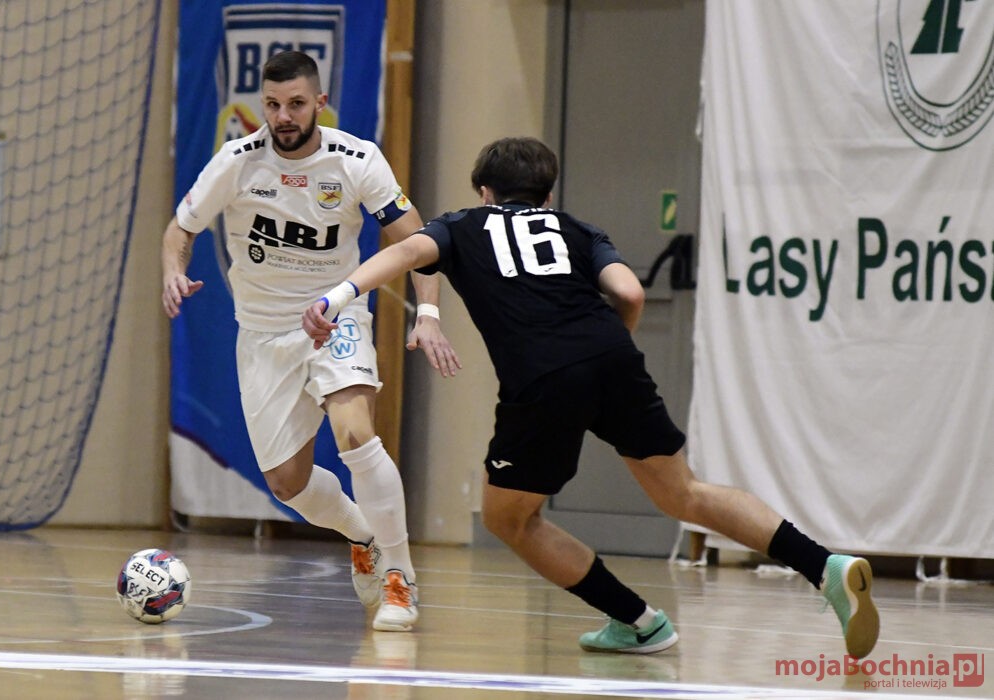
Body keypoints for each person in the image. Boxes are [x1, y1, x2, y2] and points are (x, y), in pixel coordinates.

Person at [302, 137, 880, 657]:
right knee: (684, 492)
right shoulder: (577, 230)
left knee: (508, 518)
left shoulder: (462, 225)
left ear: (485, 192)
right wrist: (607, 354)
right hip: (612, 357)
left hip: (542, 378)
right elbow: (629, 292)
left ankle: (638, 621)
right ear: (548, 195)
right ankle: (823, 564)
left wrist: (336, 297)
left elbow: (405, 253)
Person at [161, 50, 461, 632]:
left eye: (296, 103)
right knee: (287, 484)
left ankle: (399, 577)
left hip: (334, 316)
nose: (283, 116)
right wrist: (174, 270)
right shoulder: (236, 162)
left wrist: (428, 313)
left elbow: (419, 242)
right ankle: (363, 533)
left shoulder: (356, 159)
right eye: (273, 105)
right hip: (263, 334)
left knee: (355, 435)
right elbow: (180, 228)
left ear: (320, 102)